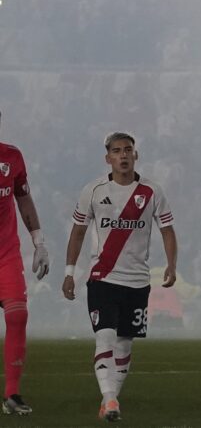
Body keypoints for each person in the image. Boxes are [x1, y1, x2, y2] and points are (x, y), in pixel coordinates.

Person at [62, 132, 177, 422]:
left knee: (125, 343)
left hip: (138, 281)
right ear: (108, 158)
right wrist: (70, 272)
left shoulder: (152, 191)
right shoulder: (94, 190)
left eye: (128, 150)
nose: (123, 155)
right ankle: (110, 399)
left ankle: (110, 399)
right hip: (103, 278)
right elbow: (77, 232)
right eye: (117, 151)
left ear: (135, 155)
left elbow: (167, 230)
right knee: (106, 337)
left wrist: (171, 265)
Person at [0, 110, 50, 415]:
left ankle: (12, 395)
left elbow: (23, 197)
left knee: (18, 317)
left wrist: (39, 241)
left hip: (6, 254)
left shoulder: (12, 157)